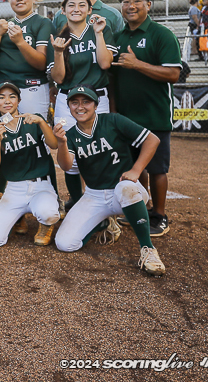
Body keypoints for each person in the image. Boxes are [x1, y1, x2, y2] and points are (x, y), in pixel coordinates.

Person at [53, 86, 165, 277]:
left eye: (86, 102)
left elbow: (152, 140)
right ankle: (103, 223)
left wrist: (136, 170)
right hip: (94, 195)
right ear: (69, 106)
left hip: (125, 191)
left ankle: (148, 249)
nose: (80, 107)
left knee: (126, 188)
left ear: (96, 105)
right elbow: (66, 166)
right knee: (65, 244)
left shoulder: (113, 120)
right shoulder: (70, 135)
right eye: (74, 102)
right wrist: (62, 143)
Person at [111, 0, 182, 237]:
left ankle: (160, 215)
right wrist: (115, 112)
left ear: (148, 5)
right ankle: (144, 206)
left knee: (158, 169)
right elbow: (113, 79)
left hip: (155, 115)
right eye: (126, 1)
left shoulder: (161, 34)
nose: (131, 6)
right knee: (135, 165)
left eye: (137, 1)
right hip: (127, 117)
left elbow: (174, 73)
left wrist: (137, 64)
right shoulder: (118, 38)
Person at [48, 0, 116, 212]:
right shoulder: (59, 37)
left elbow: (105, 64)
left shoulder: (101, 30)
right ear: (63, 10)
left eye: (81, 5)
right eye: (71, 5)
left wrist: (98, 34)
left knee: (99, 151)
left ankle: (104, 207)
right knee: (70, 154)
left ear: (89, 9)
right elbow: (58, 78)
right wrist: (58, 52)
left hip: (98, 99)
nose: (76, 9)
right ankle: (77, 203)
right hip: (68, 99)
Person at [0, 82, 59, 246]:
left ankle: (46, 225)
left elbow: (54, 145)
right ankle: (18, 218)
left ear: (19, 100)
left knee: (49, 213)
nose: (7, 101)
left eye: (12, 96)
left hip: (40, 184)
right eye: (1, 97)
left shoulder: (32, 120)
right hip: (14, 189)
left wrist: (41, 122)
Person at [0, 0, 54, 115]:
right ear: (9, 0)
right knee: (1, 131)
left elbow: (41, 64)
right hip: (1, 87)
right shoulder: (4, 25)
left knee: (31, 131)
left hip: (31, 87)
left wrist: (20, 42)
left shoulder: (43, 22)